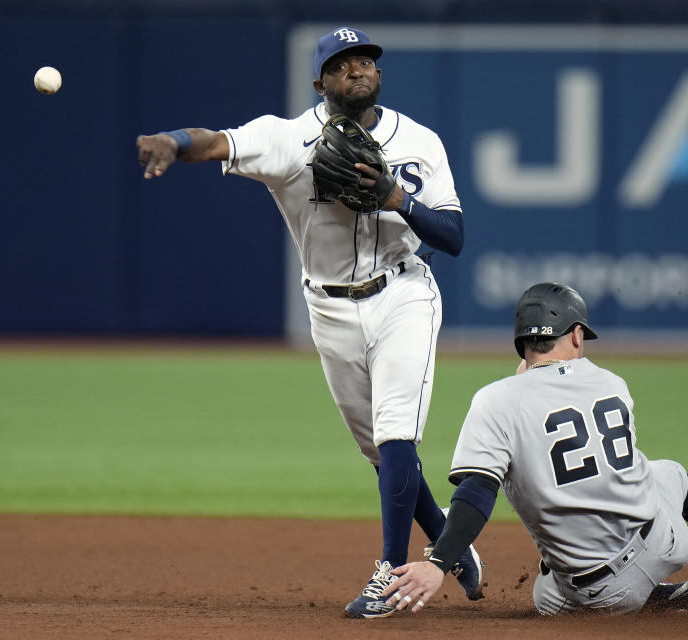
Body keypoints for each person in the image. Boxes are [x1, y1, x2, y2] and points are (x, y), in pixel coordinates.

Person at [135, 26, 483, 619]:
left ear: (378, 72)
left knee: (398, 433)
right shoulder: (289, 139)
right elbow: (216, 142)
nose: (357, 69)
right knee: (379, 451)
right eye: (342, 63)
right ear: (320, 80)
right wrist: (171, 141)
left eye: (366, 60)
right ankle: (452, 542)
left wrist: (400, 200)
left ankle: (388, 574)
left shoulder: (421, 141)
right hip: (328, 305)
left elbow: (452, 237)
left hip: (403, 291)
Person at [383, 282, 688, 616]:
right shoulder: (610, 383)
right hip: (662, 545)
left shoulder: (495, 400)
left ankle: (647, 597)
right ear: (577, 335)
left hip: (591, 594)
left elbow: (476, 494)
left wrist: (439, 563)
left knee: (546, 593)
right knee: (669, 476)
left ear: (521, 344)